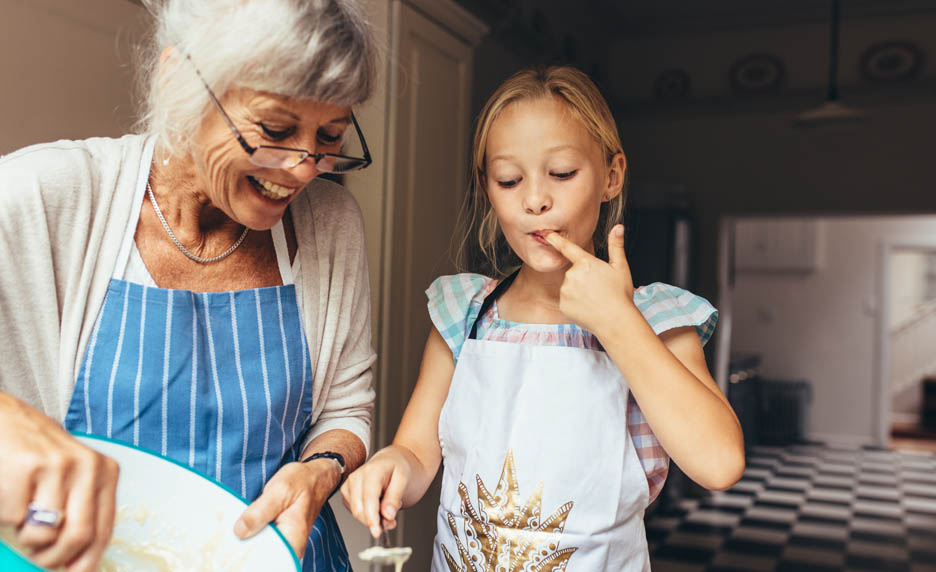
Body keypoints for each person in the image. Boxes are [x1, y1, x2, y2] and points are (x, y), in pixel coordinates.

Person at [0, 1, 378, 570]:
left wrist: (321, 469)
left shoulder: (331, 224)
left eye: (329, 137)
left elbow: (347, 406)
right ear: (178, 80)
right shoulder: (43, 195)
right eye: (275, 129)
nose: (304, 168)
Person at [340, 66, 746, 570]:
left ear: (611, 176)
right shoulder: (463, 314)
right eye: (509, 179)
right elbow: (418, 454)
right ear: (488, 188)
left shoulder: (658, 319)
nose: (535, 199)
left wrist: (619, 322)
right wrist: (391, 466)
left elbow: (720, 464)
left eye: (561, 173)